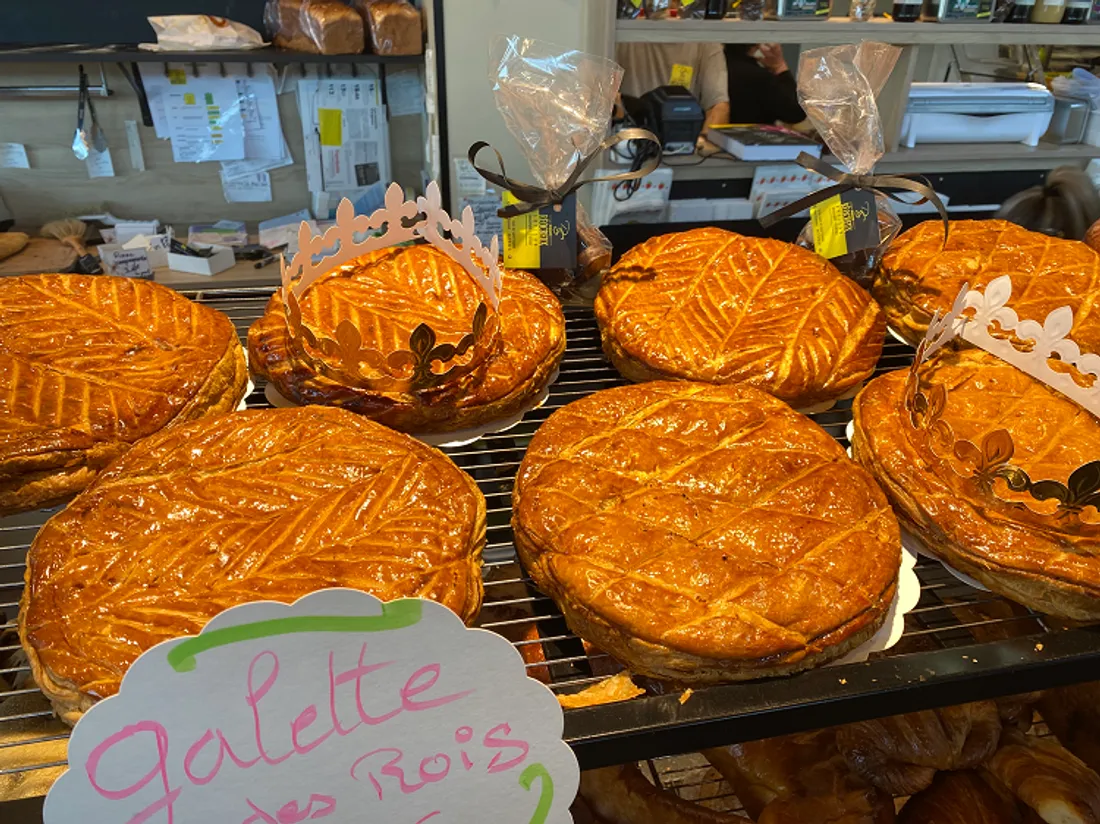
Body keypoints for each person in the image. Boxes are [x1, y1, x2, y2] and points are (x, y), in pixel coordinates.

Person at [616, 43, 730, 134]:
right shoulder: (625, 31)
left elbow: (719, 107)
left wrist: (699, 148)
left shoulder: (705, 41)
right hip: (630, 147)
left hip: (683, 145)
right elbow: (603, 97)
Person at [725, 43, 805, 125]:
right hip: (749, 137)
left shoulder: (720, 67)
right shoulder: (759, 77)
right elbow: (796, 113)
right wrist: (780, 66)